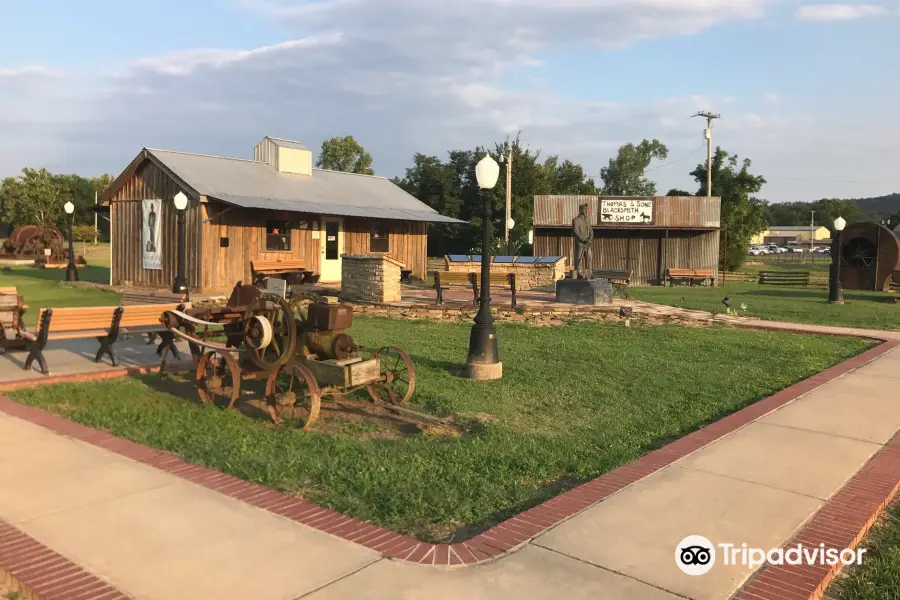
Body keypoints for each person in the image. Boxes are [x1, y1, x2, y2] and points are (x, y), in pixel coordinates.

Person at [572, 203, 593, 278]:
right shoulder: (576, 220)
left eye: (586, 209)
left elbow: (591, 231)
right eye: (584, 209)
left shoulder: (587, 220)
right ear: (580, 210)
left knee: (589, 257)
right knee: (578, 258)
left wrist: (589, 239)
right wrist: (583, 240)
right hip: (580, 242)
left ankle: (588, 274)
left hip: (587, 243)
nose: (586, 211)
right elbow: (576, 231)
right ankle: (578, 273)